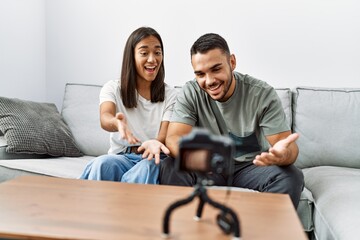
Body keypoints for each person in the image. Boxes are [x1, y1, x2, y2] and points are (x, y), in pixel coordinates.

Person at [159, 33, 304, 207]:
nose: (209, 81)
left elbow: (288, 148)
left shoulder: (262, 94)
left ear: (232, 62)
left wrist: (282, 155)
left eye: (216, 69)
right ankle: (187, 230)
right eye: (200, 74)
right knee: (170, 166)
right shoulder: (190, 93)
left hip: (251, 168)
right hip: (208, 166)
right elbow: (174, 138)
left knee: (291, 176)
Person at [79, 26, 177, 184]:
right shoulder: (113, 88)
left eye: (157, 52)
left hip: (152, 158)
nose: (152, 59)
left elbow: (164, 136)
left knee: (147, 168)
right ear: (131, 57)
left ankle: (125, 206)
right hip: (122, 156)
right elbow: (105, 118)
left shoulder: (171, 95)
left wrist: (156, 143)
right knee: (101, 164)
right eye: (144, 53)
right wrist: (116, 123)